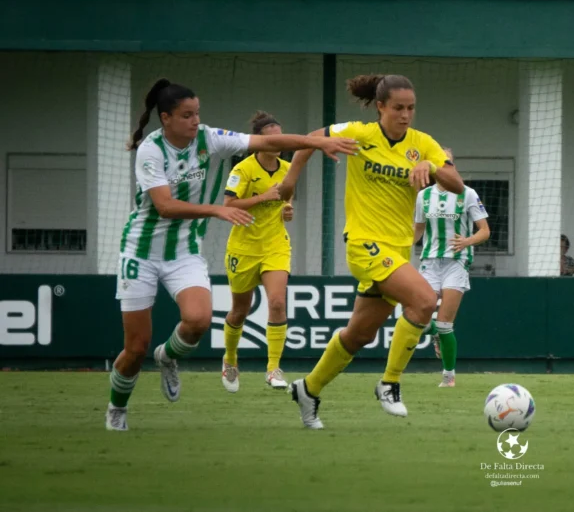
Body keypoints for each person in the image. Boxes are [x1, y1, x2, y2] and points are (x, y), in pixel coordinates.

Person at [106, 79, 356, 431]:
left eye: (197, 113)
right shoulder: (152, 150)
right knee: (135, 348)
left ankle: (168, 357)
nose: (195, 121)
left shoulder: (209, 138)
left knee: (197, 322)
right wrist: (217, 210)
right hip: (141, 251)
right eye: (186, 115)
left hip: (184, 251)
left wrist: (317, 141)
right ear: (166, 118)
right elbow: (163, 206)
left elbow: (269, 141)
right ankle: (117, 408)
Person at [278, 74, 464, 429]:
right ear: (381, 107)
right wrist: (291, 178)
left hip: (397, 250)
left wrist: (432, 166)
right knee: (425, 301)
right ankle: (390, 384)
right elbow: (311, 138)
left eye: (411, 108)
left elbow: (457, 184)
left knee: (358, 334)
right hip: (365, 243)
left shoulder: (423, 144)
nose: (406, 115)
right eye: (398, 108)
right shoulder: (361, 134)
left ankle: (308, 389)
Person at [220, 111, 297, 393]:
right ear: (258, 143)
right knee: (240, 310)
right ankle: (229, 359)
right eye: (271, 138)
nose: (277, 142)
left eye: (280, 137)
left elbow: (286, 201)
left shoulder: (288, 169)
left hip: (275, 244)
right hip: (243, 247)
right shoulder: (242, 170)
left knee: (277, 302)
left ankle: (273, 368)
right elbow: (228, 206)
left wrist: (288, 211)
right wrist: (262, 197)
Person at [413, 148, 490, 388]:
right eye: (441, 162)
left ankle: (448, 376)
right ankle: (434, 332)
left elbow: (485, 231)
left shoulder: (467, 194)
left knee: (446, 325)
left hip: (457, 263)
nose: (446, 166)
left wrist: (467, 241)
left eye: (449, 162)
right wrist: (396, 246)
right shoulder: (423, 196)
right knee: (420, 318)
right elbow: (417, 230)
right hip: (429, 262)